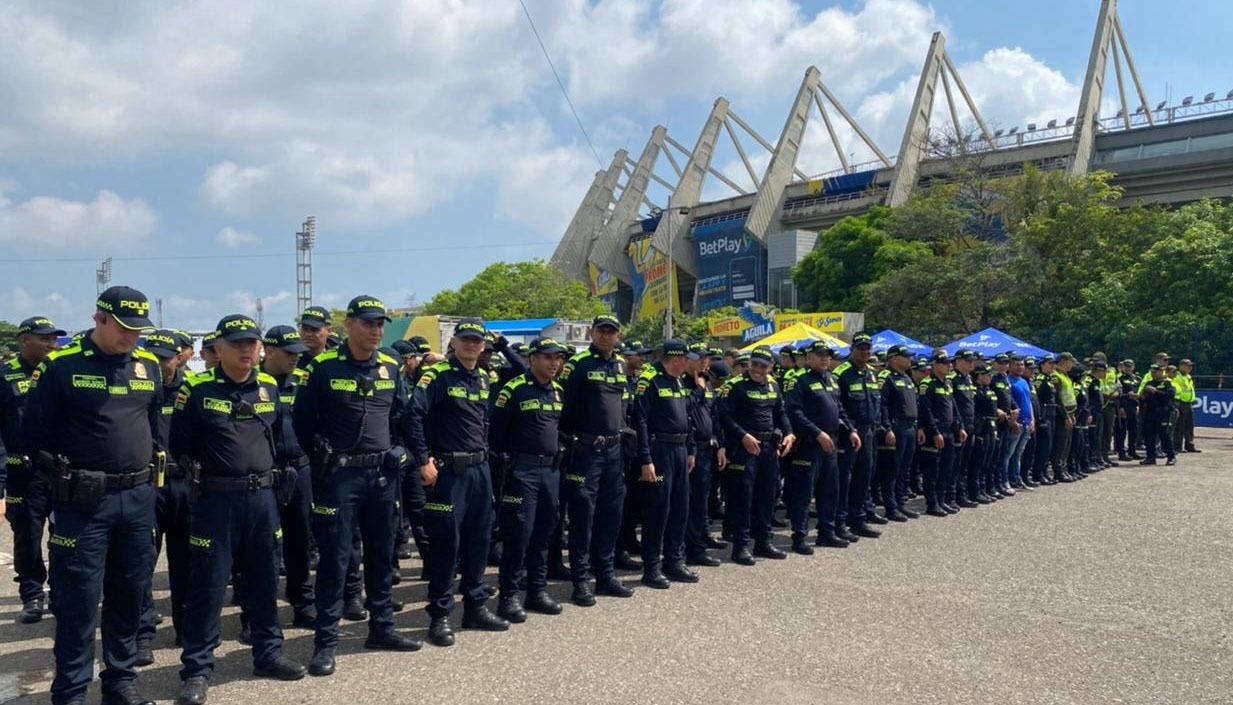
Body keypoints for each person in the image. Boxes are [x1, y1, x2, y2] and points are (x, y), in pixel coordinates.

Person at [25, 286, 162, 705]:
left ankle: (120, 682)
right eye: (124, 328)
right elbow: (34, 436)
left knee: (128, 592)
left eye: (139, 330)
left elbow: (154, 426)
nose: (131, 337)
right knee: (78, 599)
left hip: (137, 498)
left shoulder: (148, 365)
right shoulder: (61, 367)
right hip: (84, 503)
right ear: (99, 318)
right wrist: (66, 479)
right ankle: (71, 690)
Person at [171, 315, 307, 705]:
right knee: (208, 586)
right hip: (216, 501)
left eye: (253, 343)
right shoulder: (195, 390)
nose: (248, 350)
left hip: (262, 500)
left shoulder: (268, 387)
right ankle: (197, 670)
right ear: (219, 349)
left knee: (264, 581)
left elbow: (282, 441)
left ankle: (267, 653)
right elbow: (182, 444)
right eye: (239, 344)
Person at [294, 296, 421, 677]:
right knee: (335, 560)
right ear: (348, 324)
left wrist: (401, 451)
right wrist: (323, 462)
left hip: (382, 477)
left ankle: (382, 628)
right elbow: (302, 424)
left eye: (381, 324)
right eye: (368, 323)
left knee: (382, 556)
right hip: (340, 478)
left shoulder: (392, 366)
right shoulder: (322, 367)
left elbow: (404, 415)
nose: (376, 331)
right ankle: (326, 642)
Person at [403, 318, 509, 646]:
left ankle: (475, 607)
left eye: (476, 340)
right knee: (446, 545)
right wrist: (423, 460)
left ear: (483, 345)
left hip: (480, 471)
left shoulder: (484, 378)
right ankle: (440, 615)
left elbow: (486, 420)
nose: (471, 344)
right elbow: (413, 417)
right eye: (465, 339)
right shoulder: (437, 376)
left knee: (479, 540)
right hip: (448, 472)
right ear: (454, 342)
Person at [489, 337, 568, 623]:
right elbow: (495, 435)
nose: (554, 364)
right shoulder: (514, 390)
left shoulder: (558, 391)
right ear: (532, 359)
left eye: (558, 358)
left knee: (545, 532)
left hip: (550, 472)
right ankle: (508, 596)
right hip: (521, 471)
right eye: (548, 358)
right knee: (518, 534)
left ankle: (537, 591)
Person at [557, 315, 635, 606]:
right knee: (582, 518)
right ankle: (581, 582)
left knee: (610, 515)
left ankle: (605, 576)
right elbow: (563, 409)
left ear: (618, 335)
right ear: (592, 333)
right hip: (586, 452)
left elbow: (625, 405)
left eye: (611, 332)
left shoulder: (621, 365)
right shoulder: (577, 366)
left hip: (615, 452)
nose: (605, 336)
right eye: (601, 331)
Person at [1, 316, 65, 625]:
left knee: (64, 534)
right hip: (22, 474)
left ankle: (61, 592)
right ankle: (32, 594)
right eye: (45, 338)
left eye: (54, 338)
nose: (52, 344)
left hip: (58, 469)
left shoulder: (59, 372)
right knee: (27, 535)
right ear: (24, 339)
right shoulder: (5, 376)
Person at [135, 329, 190, 661]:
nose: (159, 364)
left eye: (165, 358)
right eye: (153, 357)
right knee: (142, 561)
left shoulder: (193, 390)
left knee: (185, 561)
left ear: (178, 358)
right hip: (147, 486)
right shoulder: (138, 390)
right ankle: (143, 633)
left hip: (184, 484)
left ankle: (185, 628)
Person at [259, 325, 316, 629]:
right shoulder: (252, 382)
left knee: (300, 540)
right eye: (289, 353)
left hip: (300, 469)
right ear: (269, 351)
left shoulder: (304, 382)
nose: (296, 358)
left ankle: (302, 602)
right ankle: (256, 612)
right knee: (261, 545)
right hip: (264, 474)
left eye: (299, 353)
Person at [716, 346, 795, 564]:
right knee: (743, 498)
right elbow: (724, 417)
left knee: (767, 496)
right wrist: (743, 436)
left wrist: (789, 433)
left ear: (771, 367)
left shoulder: (773, 385)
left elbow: (780, 412)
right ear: (749, 363)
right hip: (744, 449)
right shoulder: (734, 386)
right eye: (756, 364)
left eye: (764, 365)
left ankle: (763, 542)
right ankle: (740, 546)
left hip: (769, 448)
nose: (759, 369)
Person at [630, 340, 698, 588]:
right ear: (676, 358)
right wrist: (645, 459)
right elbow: (641, 422)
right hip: (660, 452)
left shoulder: (677, 380)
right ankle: (651, 568)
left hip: (680, 451)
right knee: (658, 510)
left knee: (680, 507)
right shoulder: (651, 380)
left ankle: (674, 561)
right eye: (685, 359)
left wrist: (691, 449)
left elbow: (686, 417)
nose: (688, 363)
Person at [784, 341, 857, 551]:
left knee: (829, 490)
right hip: (809, 444)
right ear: (808, 358)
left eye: (827, 355)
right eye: (820, 355)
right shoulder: (799, 381)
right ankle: (799, 536)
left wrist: (851, 429)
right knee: (804, 493)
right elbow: (794, 412)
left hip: (832, 443)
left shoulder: (832, 379)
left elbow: (839, 408)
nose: (825, 358)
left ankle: (827, 532)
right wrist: (817, 433)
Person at [833, 334, 882, 538]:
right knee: (845, 479)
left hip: (869, 431)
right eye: (861, 347)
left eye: (868, 348)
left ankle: (858, 519)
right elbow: (837, 405)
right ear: (852, 348)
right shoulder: (841, 373)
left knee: (864, 476)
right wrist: (849, 429)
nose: (865, 351)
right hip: (849, 432)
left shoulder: (871, 373)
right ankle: (840, 522)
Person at [683, 343, 726, 567]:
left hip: (707, 449)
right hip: (689, 450)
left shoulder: (707, 382)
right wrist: (698, 389)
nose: (703, 362)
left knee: (701, 500)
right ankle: (687, 548)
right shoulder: (682, 382)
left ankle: (699, 544)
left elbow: (714, 415)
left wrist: (721, 445)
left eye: (706, 359)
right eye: (698, 358)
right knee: (686, 502)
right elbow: (685, 415)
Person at [917, 352, 967, 517]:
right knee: (932, 470)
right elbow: (926, 410)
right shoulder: (927, 384)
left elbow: (953, 407)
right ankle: (932, 503)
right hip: (935, 431)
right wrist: (934, 432)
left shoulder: (947, 383)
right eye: (945, 363)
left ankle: (941, 499)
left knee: (947, 468)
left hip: (949, 430)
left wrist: (959, 426)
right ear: (935, 365)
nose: (949, 366)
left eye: (949, 363)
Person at [878, 345, 917, 522]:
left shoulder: (906, 377)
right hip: (896, 427)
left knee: (904, 469)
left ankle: (900, 503)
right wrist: (887, 428)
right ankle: (891, 507)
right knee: (892, 469)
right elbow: (882, 405)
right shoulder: (886, 377)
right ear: (893, 358)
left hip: (910, 427)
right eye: (905, 356)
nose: (909, 359)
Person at [1140, 364, 1177, 466]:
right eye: (1152, 372)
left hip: (1163, 413)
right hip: (1150, 413)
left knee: (1165, 435)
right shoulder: (1149, 383)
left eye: (1155, 372)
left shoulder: (1167, 383)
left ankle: (1171, 457)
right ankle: (1150, 457)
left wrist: (1156, 391)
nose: (1153, 374)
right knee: (1149, 436)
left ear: (1161, 372)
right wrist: (1140, 397)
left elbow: (1170, 395)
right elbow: (1143, 397)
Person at [1173, 359, 1198, 452]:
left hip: (1189, 403)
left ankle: (1190, 445)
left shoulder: (1188, 376)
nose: (1190, 367)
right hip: (1181, 403)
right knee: (1180, 426)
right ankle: (1178, 446)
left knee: (1190, 425)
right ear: (1181, 366)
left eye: (1191, 366)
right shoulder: (1177, 375)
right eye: (1188, 366)